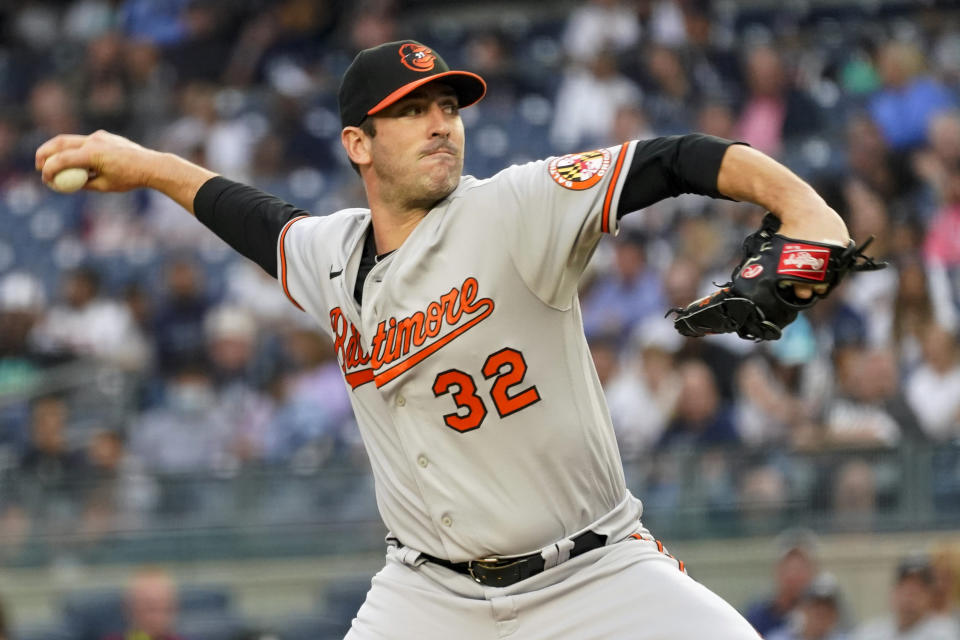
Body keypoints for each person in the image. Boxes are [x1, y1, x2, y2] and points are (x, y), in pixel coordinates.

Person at [37, 39, 850, 640]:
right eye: (412, 111)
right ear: (358, 143)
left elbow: (674, 159)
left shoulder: (515, 207)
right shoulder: (332, 255)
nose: (441, 125)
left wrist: (805, 210)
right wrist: (145, 164)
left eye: (448, 107)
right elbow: (253, 218)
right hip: (429, 599)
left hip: (595, 572)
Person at [854, 554, 960, 640]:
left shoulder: (945, 633)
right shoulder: (870, 632)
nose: (909, 597)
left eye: (917, 589)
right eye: (905, 588)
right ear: (893, 591)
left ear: (929, 596)